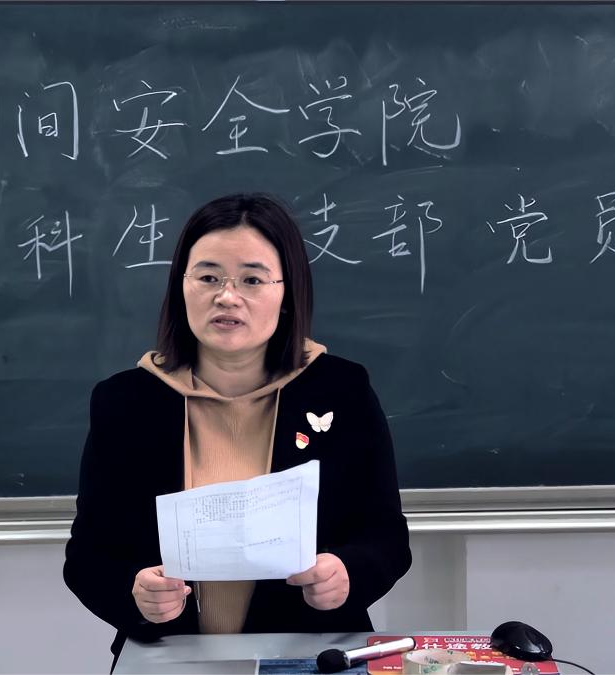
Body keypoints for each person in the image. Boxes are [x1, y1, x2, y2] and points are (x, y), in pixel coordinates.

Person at [64, 193, 411, 665]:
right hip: (171, 659)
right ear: (181, 286)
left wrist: (348, 573)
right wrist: (135, 594)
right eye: (208, 277)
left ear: (287, 293)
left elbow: (386, 537)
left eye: (252, 279)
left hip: (310, 654)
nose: (227, 297)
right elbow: (88, 557)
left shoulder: (340, 390)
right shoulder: (126, 402)